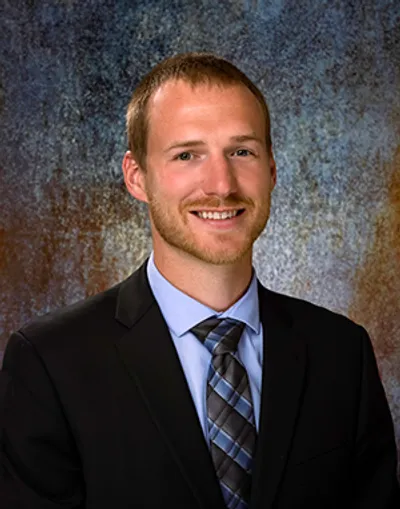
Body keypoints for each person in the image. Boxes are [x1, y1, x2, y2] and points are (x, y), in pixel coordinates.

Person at [0, 52, 399, 509]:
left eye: (241, 151)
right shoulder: (50, 362)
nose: (221, 184)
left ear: (270, 170)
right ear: (137, 177)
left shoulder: (341, 353)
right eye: (187, 155)